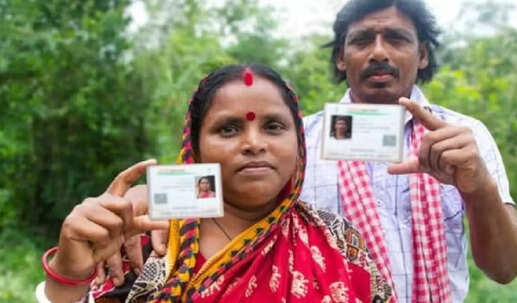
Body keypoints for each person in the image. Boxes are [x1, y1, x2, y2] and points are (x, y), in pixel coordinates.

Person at [37, 64, 393, 303]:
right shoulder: (148, 237)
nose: (254, 143)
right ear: (196, 147)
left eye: (273, 126)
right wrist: (68, 275)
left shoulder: (337, 241)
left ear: (300, 144)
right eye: (228, 129)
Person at [300, 0, 517, 302]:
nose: (379, 52)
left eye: (396, 38)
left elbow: (506, 268)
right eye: (362, 40)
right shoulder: (300, 141)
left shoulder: (463, 137)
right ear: (342, 57)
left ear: (421, 55)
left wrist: (479, 189)